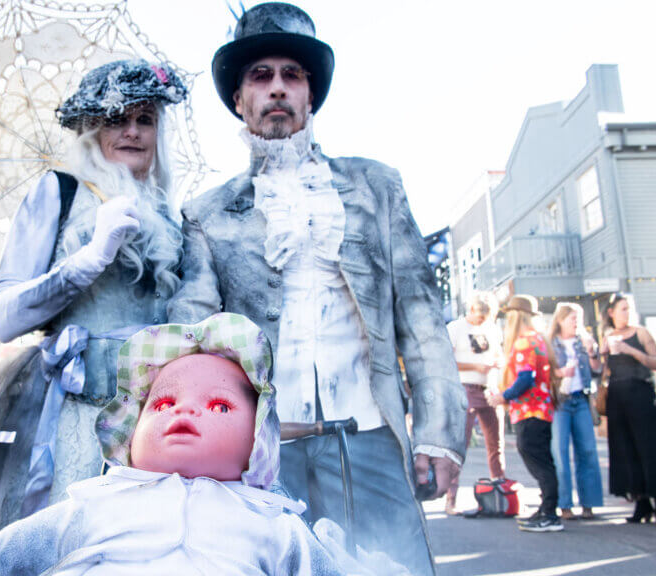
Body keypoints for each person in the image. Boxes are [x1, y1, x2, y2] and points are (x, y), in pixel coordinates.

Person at [167, 4, 465, 572]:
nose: (276, 88)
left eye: (292, 75)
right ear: (239, 99)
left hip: (371, 439)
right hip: (264, 452)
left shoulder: (377, 185)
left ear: (310, 95)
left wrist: (439, 431)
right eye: (261, 76)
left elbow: (422, 317)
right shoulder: (206, 213)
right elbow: (195, 334)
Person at [0, 59, 190, 572]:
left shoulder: (171, 215)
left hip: (154, 422)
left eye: (145, 118)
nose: (132, 131)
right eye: (117, 118)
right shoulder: (58, 191)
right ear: (92, 129)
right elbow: (5, 316)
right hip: (74, 422)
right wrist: (89, 258)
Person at [0, 313, 398, 576]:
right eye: (165, 402)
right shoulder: (92, 507)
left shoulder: (272, 524)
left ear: (258, 440)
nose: (183, 412)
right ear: (129, 430)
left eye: (220, 407)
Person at [600, 293, 656, 529]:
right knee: (626, 450)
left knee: (652, 450)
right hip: (618, 397)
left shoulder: (641, 333)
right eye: (622, 309)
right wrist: (597, 355)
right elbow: (603, 371)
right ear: (611, 313)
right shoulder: (607, 336)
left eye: (629, 308)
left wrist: (631, 351)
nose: (627, 313)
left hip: (641, 394)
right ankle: (641, 502)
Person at [485, 295, 560, 532]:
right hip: (540, 410)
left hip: (530, 410)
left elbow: (525, 379)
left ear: (515, 316)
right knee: (543, 461)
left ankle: (549, 513)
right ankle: (547, 510)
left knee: (539, 461)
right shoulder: (538, 339)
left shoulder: (524, 342)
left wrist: (502, 396)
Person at [445, 292, 504, 515]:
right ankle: (451, 498)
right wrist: (475, 367)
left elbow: (499, 354)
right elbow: (447, 360)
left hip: (489, 387)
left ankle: (500, 493)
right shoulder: (455, 328)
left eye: (486, 318)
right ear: (471, 310)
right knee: (460, 445)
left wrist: (497, 364)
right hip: (464, 388)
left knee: (495, 444)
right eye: (479, 317)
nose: (482, 322)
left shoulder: (492, 328)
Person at [546, 302, 604, 520]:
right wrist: (559, 372)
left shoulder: (584, 342)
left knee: (587, 450)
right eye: (572, 318)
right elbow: (545, 372)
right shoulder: (550, 343)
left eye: (578, 318)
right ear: (560, 319)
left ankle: (589, 503)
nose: (576, 322)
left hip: (581, 399)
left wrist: (592, 352)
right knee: (560, 452)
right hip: (560, 401)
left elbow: (597, 369)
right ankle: (564, 504)